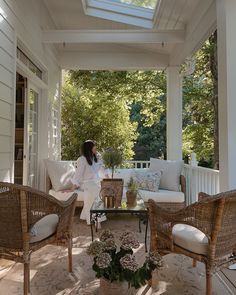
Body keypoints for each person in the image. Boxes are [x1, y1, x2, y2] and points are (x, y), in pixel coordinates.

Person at [70, 140, 109, 225]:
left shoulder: (96, 158)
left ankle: (89, 218)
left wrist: (108, 179)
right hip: (87, 183)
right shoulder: (82, 159)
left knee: (91, 195)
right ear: (89, 148)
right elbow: (78, 175)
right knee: (97, 193)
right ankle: (97, 221)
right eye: (94, 146)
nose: (96, 147)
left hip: (96, 183)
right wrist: (72, 188)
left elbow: (103, 170)